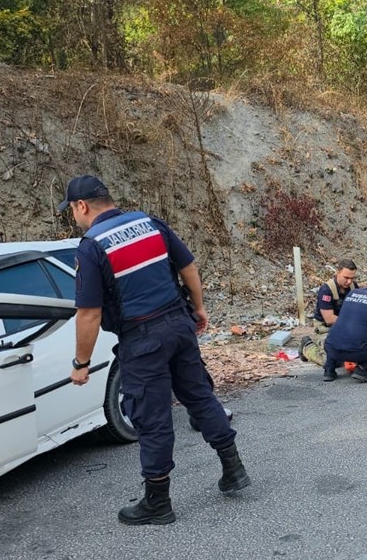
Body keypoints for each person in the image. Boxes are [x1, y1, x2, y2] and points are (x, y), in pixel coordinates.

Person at [61, 175, 249, 526]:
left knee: (153, 418)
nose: (74, 217)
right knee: (200, 397)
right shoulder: (149, 223)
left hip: (142, 339)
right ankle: (233, 469)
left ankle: (158, 502)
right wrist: (199, 307)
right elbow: (188, 266)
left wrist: (81, 363)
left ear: (81, 206)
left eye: (72, 210)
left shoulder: (91, 246)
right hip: (179, 324)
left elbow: (89, 313)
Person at [299, 260, 357, 367]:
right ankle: (307, 347)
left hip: (347, 329)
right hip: (326, 329)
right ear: (338, 272)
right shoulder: (326, 290)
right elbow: (329, 319)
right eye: (346, 278)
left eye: (352, 278)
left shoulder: (354, 288)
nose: (349, 282)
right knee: (329, 361)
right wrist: (352, 323)